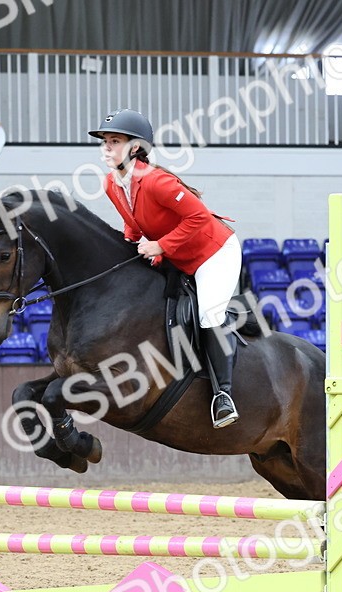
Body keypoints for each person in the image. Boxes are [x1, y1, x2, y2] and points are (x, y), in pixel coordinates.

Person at [89, 109, 242, 429]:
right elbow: (133, 226)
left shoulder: (157, 181)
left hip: (213, 252)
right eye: (105, 141)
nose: (106, 147)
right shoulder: (111, 184)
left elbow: (199, 217)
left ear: (134, 148)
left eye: (114, 141)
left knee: (209, 315)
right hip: (177, 254)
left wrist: (160, 246)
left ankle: (223, 396)